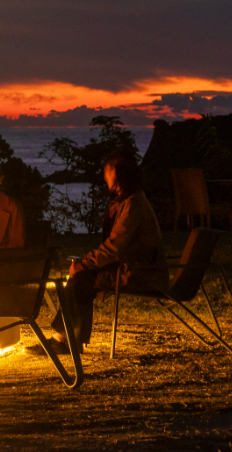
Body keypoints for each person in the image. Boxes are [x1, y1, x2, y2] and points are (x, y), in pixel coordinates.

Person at [39, 150, 167, 353]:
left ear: (116, 173)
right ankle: (68, 339)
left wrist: (84, 263)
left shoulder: (133, 204)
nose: (104, 176)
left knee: (81, 278)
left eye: (107, 171)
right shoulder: (128, 201)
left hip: (140, 274)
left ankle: (64, 340)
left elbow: (115, 247)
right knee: (81, 276)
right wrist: (85, 263)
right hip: (133, 268)